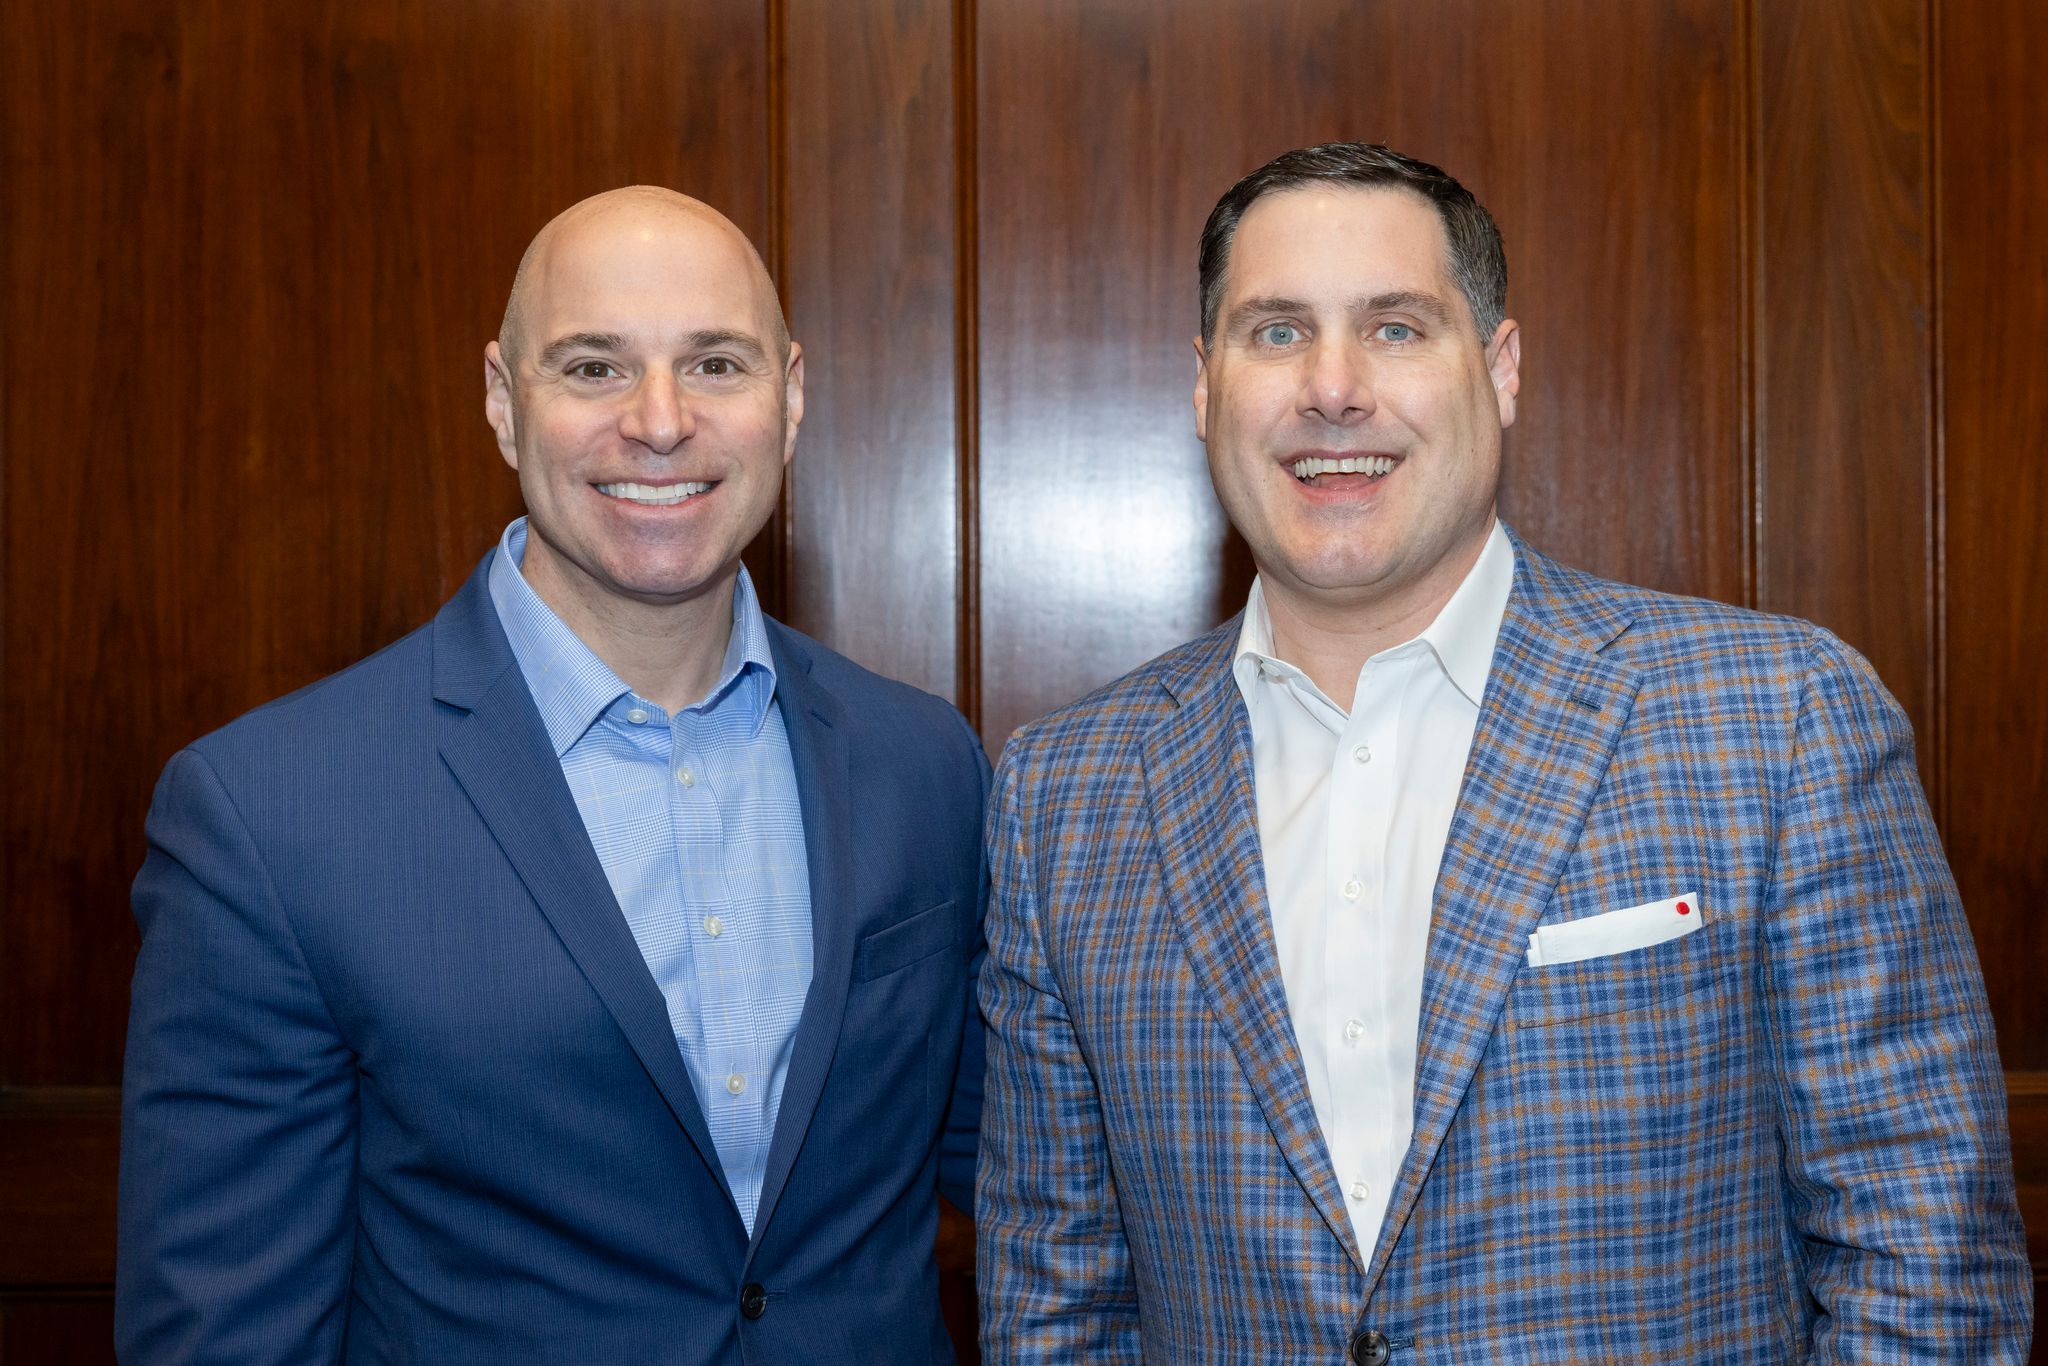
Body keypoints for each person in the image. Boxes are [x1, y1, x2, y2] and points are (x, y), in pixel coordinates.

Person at [974, 142, 2030, 1363]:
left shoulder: (1775, 718)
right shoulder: (1063, 795)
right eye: (1275, 333)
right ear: (1204, 388)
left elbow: (1921, 1256)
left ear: (1500, 366)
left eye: (1394, 328)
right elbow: (1056, 1303)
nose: (1331, 388)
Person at [118, 187, 988, 1363]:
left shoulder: (925, 765)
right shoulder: (270, 817)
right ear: (501, 399)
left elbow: (1034, 1177)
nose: (660, 422)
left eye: (715, 363)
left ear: (788, 397)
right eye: (593, 367)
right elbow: (228, 1333)